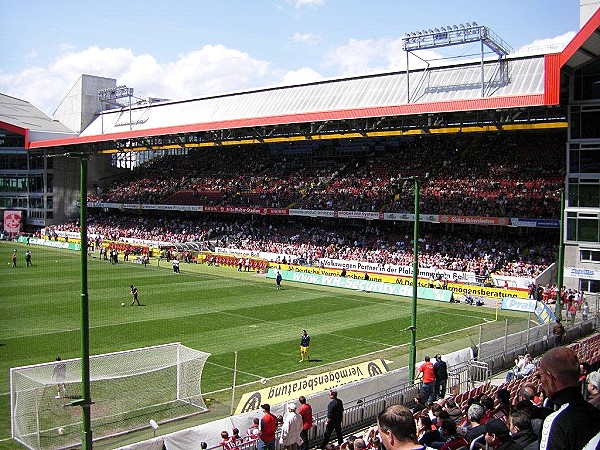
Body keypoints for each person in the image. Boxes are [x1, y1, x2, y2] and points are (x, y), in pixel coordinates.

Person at [537, 346, 600, 449]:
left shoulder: (554, 424)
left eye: (539, 376)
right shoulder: (594, 411)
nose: (540, 383)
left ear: (549, 379)